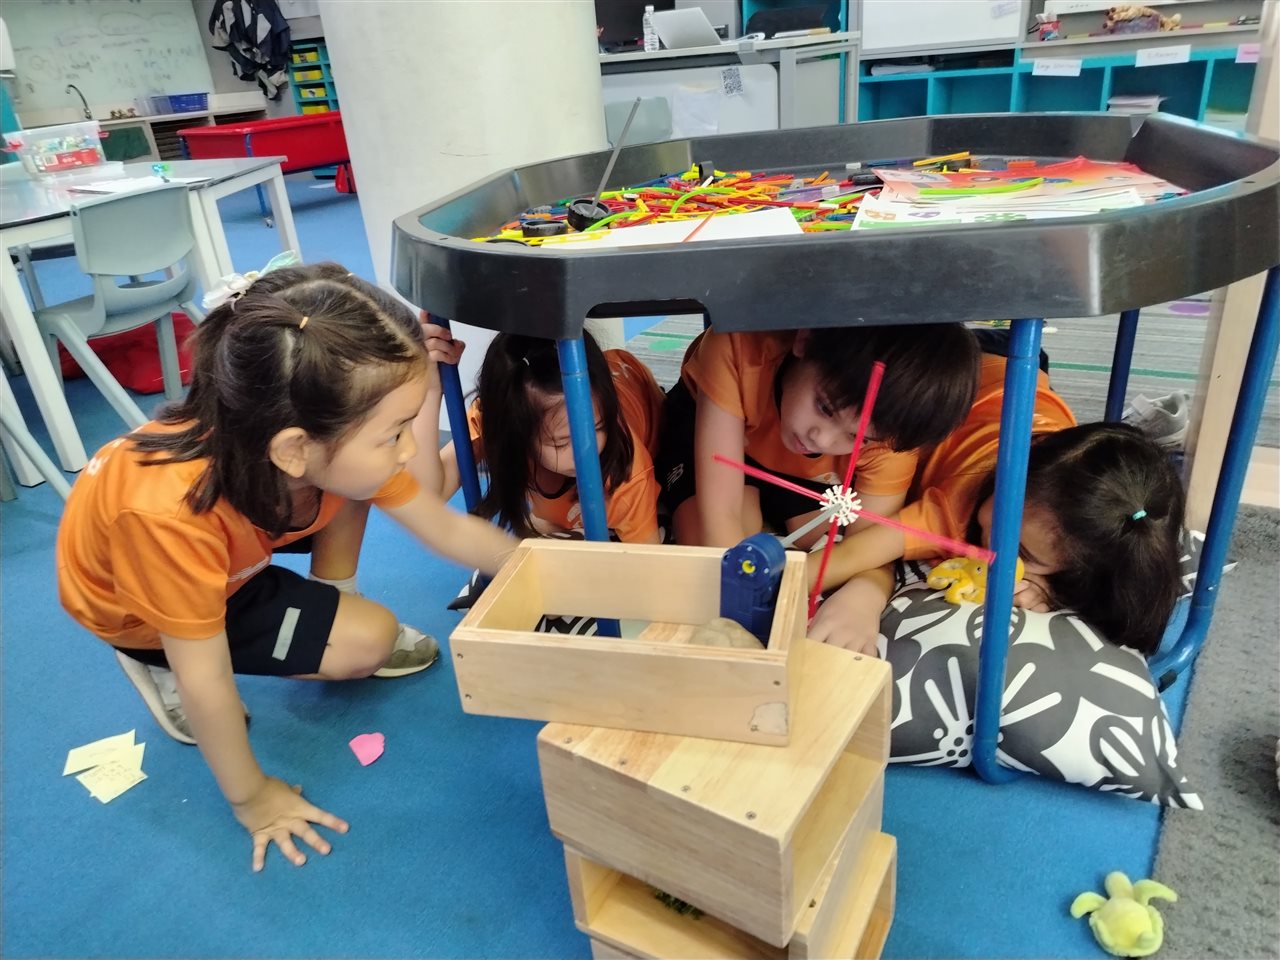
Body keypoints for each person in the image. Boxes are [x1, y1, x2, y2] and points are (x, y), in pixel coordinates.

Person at [56, 262, 518, 872]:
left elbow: (445, 527)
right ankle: (151, 657)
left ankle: (328, 597)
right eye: (396, 434)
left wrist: (545, 568)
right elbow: (207, 682)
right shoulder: (166, 516)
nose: (410, 449)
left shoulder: (314, 433)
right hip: (143, 610)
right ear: (295, 449)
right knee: (362, 644)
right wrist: (252, 799)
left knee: (361, 489)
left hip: (239, 557)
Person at [809, 351, 1185, 658]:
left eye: (1023, 553)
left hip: (1015, 382)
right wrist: (784, 582)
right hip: (968, 369)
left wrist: (1048, 590)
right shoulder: (962, 498)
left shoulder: (1097, 531)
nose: (997, 543)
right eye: (1003, 513)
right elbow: (856, 553)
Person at [656, 324, 983, 548]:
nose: (823, 440)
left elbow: (864, 546)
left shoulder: (889, 433)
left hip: (799, 472)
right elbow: (720, 517)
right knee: (708, 541)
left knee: (822, 540)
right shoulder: (739, 346)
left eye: (857, 437)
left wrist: (865, 596)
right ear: (805, 340)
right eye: (825, 408)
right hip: (713, 437)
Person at [415, 329, 666, 543]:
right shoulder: (503, 420)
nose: (585, 451)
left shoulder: (626, 471)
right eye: (562, 443)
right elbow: (424, 495)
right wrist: (429, 390)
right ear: (516, 434)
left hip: (651, 412)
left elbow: (647, 561)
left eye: (598, 428)